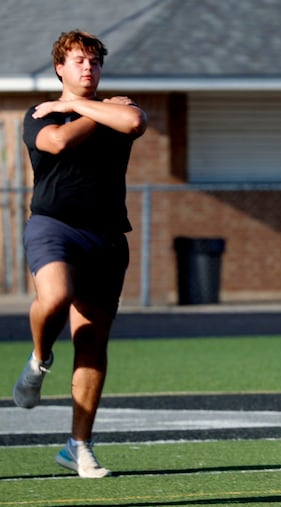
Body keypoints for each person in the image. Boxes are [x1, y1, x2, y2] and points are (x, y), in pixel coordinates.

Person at [12, 30, 147, 478]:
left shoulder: (115, 110)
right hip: (54, 226)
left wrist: (77, 105)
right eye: (78, 61)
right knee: (54, 297)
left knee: (91, 342)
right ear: (60, 68)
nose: (87, 68)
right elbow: (57, 143)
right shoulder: (38, 114)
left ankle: (78, 445)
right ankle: (39, 359)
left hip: (106, 237)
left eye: (94, 61)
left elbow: (134, 124)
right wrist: (97, 110)